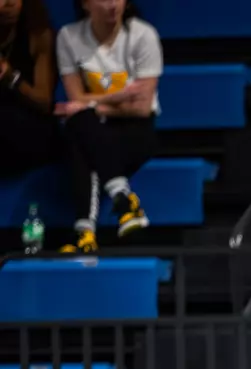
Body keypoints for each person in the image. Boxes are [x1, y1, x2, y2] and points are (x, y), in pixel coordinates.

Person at [55, 0, 162, 254]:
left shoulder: (143, 35)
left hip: (136, 128)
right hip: (93, 126)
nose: (113, 4)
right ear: (85, 4)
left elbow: (142, 108)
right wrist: (120, 96)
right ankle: (123, 199)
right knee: (81, 127)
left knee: (81, 130)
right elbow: (75, 98)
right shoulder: (69, 37)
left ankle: (84, 233)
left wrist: (93, 105)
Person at [0, 0, 57, 176]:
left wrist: (12, 77)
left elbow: (44, 102)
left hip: (29, 122)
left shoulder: (38, 34)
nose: (10, 3)